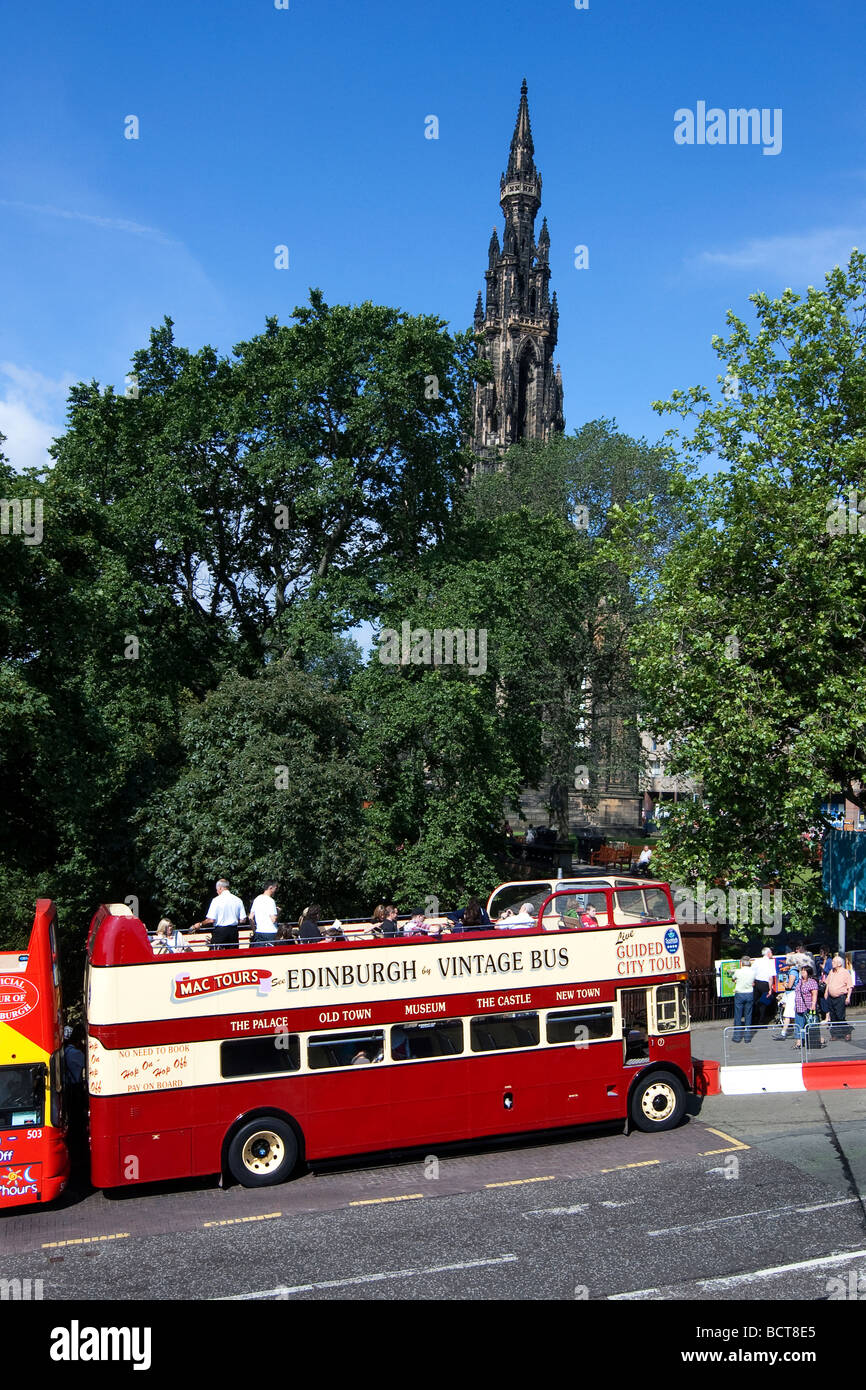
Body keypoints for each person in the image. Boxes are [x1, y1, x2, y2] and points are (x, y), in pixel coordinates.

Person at [194, 879, 247, 945]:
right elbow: (243, 920)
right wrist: (233, 920)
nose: (217, 892)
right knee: (233, 951)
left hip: (220, 932)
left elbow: (211, 920)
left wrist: (200, 924)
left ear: (220, 888)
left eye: (217, 890)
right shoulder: (238, 900)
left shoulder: (216, 900)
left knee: (217, 951)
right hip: (233, 933)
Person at [823, 954, 854, 1041]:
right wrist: (826, 992)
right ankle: (835, 1034)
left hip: (840, 997)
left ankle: (847, 1031)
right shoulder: (831, 971)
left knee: (840, 1016)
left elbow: (850, 986)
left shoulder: (845, 972)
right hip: (831, 997)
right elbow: (828, 983)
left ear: (839, 964)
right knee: (833, 1017)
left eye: (834, 962)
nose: (832, 963)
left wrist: (848, 997)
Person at [793, 964, 819, 1050]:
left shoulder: (812, 982)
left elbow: (814, 994)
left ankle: (817, 1039)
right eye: (802, 971)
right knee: (798, 1025)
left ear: (808, 972)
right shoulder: (800, 981)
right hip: (798, 1007)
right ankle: (799, 1042)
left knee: (809, 1024)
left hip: (807, 1007)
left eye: (804, 971)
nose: (802, 972)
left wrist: (813, 1005)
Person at [773, 952, 799, 1040]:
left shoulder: (793, 972)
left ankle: (783, 1033)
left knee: (787, 1014)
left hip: (791, 994)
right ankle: (795, 1031)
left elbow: (790, 985)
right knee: (791, 1014)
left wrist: (784, 984)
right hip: (790, 994)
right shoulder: (793, 970)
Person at [731, 956, 756, 1043]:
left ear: (742, 963)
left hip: (740, 993)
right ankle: (747, 1037)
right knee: (748, 1015)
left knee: (738, 1015)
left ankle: (737, 1037)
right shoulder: (753, 972)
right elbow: (753, 982)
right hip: (749, 993)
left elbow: (733, 979)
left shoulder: (738, 971)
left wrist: (736, 981)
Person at [752, 947, 777, 1025]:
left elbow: (753, 972)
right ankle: (761, 1021)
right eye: (771, 952)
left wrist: (753, 982)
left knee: (755, 1002)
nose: (772, 954)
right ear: (768, 953)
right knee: (763, 1003)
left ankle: (754, 1020)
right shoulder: (770, 963)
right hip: (765, 984)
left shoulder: (757, 961)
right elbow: (770, 978)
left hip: (756, 983)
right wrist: (770, 989)